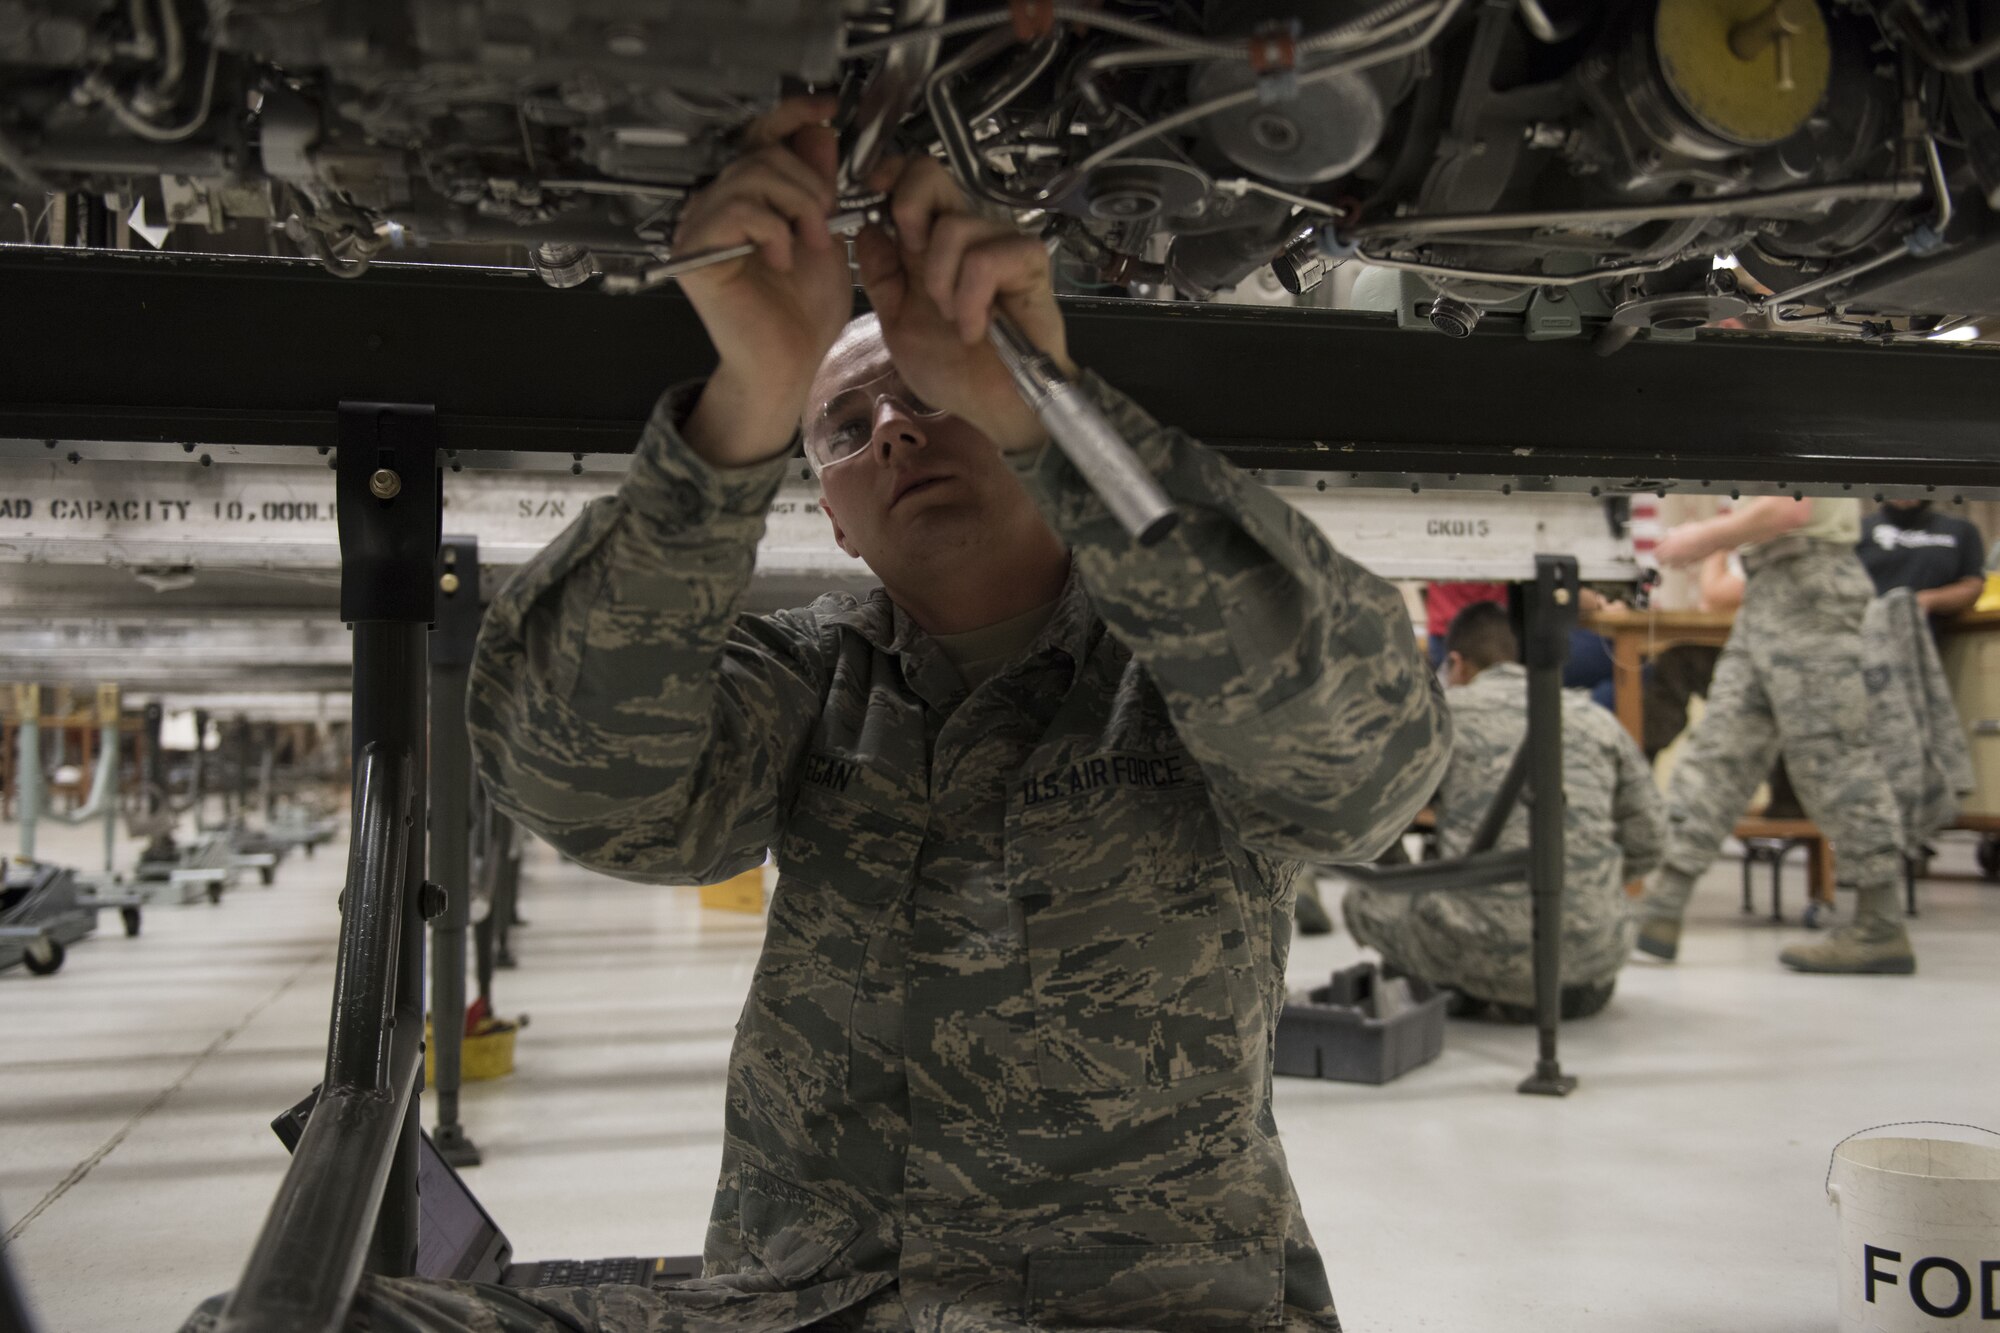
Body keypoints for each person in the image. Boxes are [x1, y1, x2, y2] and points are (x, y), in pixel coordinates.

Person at [198, 101, 1446, 1333]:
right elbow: (584, 784)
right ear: (834, 520)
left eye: (925, 393)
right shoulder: (809, 678)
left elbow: (1365, 752)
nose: (893, 427)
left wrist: (1042, 406)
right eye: (844, 430)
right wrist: (744, 404)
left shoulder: (1180, 673)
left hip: (1140, 1305)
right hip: (803, 1306)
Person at [1343, 603, 1665, 1021]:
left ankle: (1456, 979)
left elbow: (1374, 819)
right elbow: (1650, 840)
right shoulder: (1596, 719)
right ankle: (1552, 972)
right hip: (1588, 957)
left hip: (1471, 947)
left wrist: (1404, 878)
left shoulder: (1444, 717)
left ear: (1456, 663)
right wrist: (1586, 876)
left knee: (1361, 898)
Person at [1634, 496, 1912, 974]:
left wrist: (1701, 539)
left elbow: (1791, 508)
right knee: (1720, 750)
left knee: (1832, 757)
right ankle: (1662, 910)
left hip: (1811, 583)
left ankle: (1880, 924)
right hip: (1770, 587)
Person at [1856, 499, 1987, 625]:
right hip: (1869, 627)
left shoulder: (1961, 529)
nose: (1904, 493)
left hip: (1939, 633)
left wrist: (1927, 600)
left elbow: (1973, 585)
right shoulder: (1859, 531)